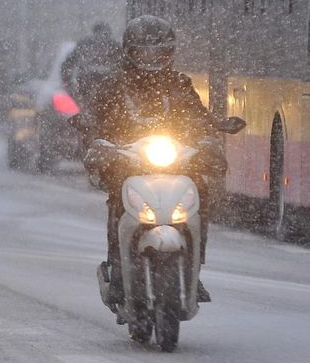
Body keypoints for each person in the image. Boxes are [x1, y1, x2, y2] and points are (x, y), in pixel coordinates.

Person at [84, 15, 227, 306]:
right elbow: (98, 122)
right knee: (117, 200)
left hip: (175, 162)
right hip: (128, 162)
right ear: (129, 52)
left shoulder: (179, 85)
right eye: (143, 52)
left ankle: (194, 267)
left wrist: (208, 139)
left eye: (159, 51)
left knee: (200, 193)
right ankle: (117, 267)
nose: (152, 59)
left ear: (170, 53)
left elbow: (198, 118)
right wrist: (101, 144)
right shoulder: (114, 86)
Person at [60, 22, 121, 108]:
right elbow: (123, 66)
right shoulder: (115, 46)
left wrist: (69, 84)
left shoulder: (84, 44)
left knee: (87, 111)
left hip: (86, 86)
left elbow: (68, 65)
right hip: (108, 88)